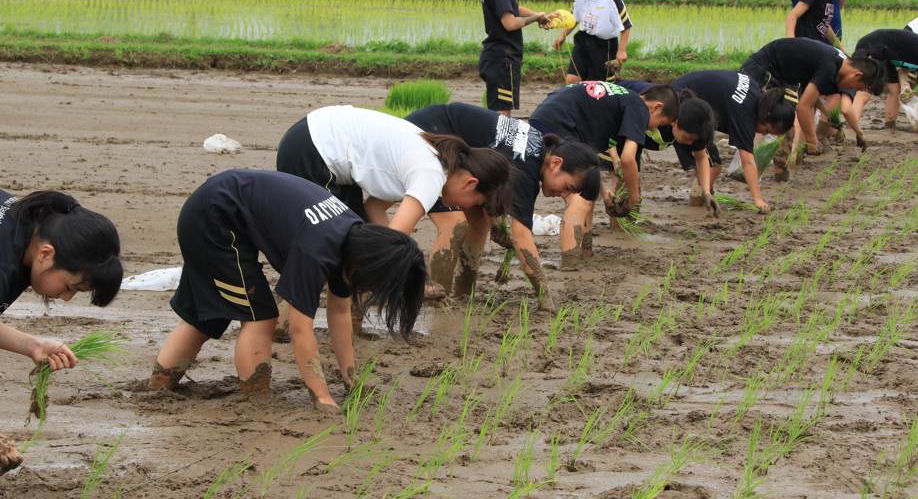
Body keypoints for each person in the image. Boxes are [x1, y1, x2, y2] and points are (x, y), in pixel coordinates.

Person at [148, 170, 427, 414]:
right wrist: (321, 395)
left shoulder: (354, 242)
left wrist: (350, 379)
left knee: (208, 316)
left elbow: (340, 313)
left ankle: (158, 388)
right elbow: (300, 331)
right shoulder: (317, 252)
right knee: (261, 318)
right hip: (213, 217)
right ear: (370, 267)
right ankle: (256, 401)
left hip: (224, 209)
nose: (371, 291)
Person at [276, 105, 513, 298]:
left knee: (353, 235)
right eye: (476, 202)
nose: (468, 208)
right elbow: (395, 240)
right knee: (328, 243)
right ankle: (286, 316)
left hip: (318, 136)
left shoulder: (437, 161)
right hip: (313, 148)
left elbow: (373, 208)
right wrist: (416, 280)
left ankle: (346, 321)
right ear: (470, 183)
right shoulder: (431, 175)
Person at [405, 102, 601, 307]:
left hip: (441, 136)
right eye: (567, 186)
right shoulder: (527, 168)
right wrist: (545, 296)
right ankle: (438, 302)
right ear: (556, 164)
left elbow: (490, 190)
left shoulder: (534, 150)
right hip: (429, 137)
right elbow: (522, 239)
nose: (564, 195)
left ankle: (463, 294)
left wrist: (497, 225)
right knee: (454, 225)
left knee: (479, 223)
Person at [0, 190, 122, 476]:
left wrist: (33, 345)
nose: (66, 299)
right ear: (46, 253)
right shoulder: (4, 265)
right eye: (71, 287)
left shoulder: (28, 221)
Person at [529, 82, 679, 264]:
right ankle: (571, 262)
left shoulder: (620, 103)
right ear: (656, 107)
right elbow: (628, 159)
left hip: (546, 117)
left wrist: (603, 190)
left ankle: (584, 251)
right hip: (561, 122)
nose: (654, 129)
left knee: (586, 188)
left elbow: (587, 168)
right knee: (579, 197)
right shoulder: (638, 107)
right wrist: (634, 197)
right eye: (660, 123)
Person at [656, 71, 796, 215]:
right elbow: (747, 161)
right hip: (682, 107)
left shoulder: (756, 96)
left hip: (686, 94)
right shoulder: (745, 114)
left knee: (709, 162)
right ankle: (697, 205)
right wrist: (758, 199)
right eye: (766, 129)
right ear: (767, 116)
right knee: (712, 166)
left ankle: (702, 200)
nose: (763, 134)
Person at [740, 38, 883, 176]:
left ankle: (780, 175)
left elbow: (810, 99)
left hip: (777, 74)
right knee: (771, 122)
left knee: (785, 124)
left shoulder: (832, 61)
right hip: (762, 71)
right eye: (860, 87)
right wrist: (811, 139)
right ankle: (747, 169)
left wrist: (826, 112)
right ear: (857, 75)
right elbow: (803, 107)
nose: (857, 90)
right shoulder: (829, 66)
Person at [478, 0, 549, 116]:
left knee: (497, 117)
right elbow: (510, 23)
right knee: (502, 119)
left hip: (496, 59)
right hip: (503, 60)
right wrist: (534, 18)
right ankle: (497, 145)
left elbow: (514, 8)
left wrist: (540, 16)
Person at [553, 0, 633, 84]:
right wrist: (562, 35)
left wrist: (621, 50)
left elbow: (626, 26)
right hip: (584, 40)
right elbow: (575, 18)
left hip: (605, 46)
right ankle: (580, 102)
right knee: (573, 79)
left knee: (600, 86)